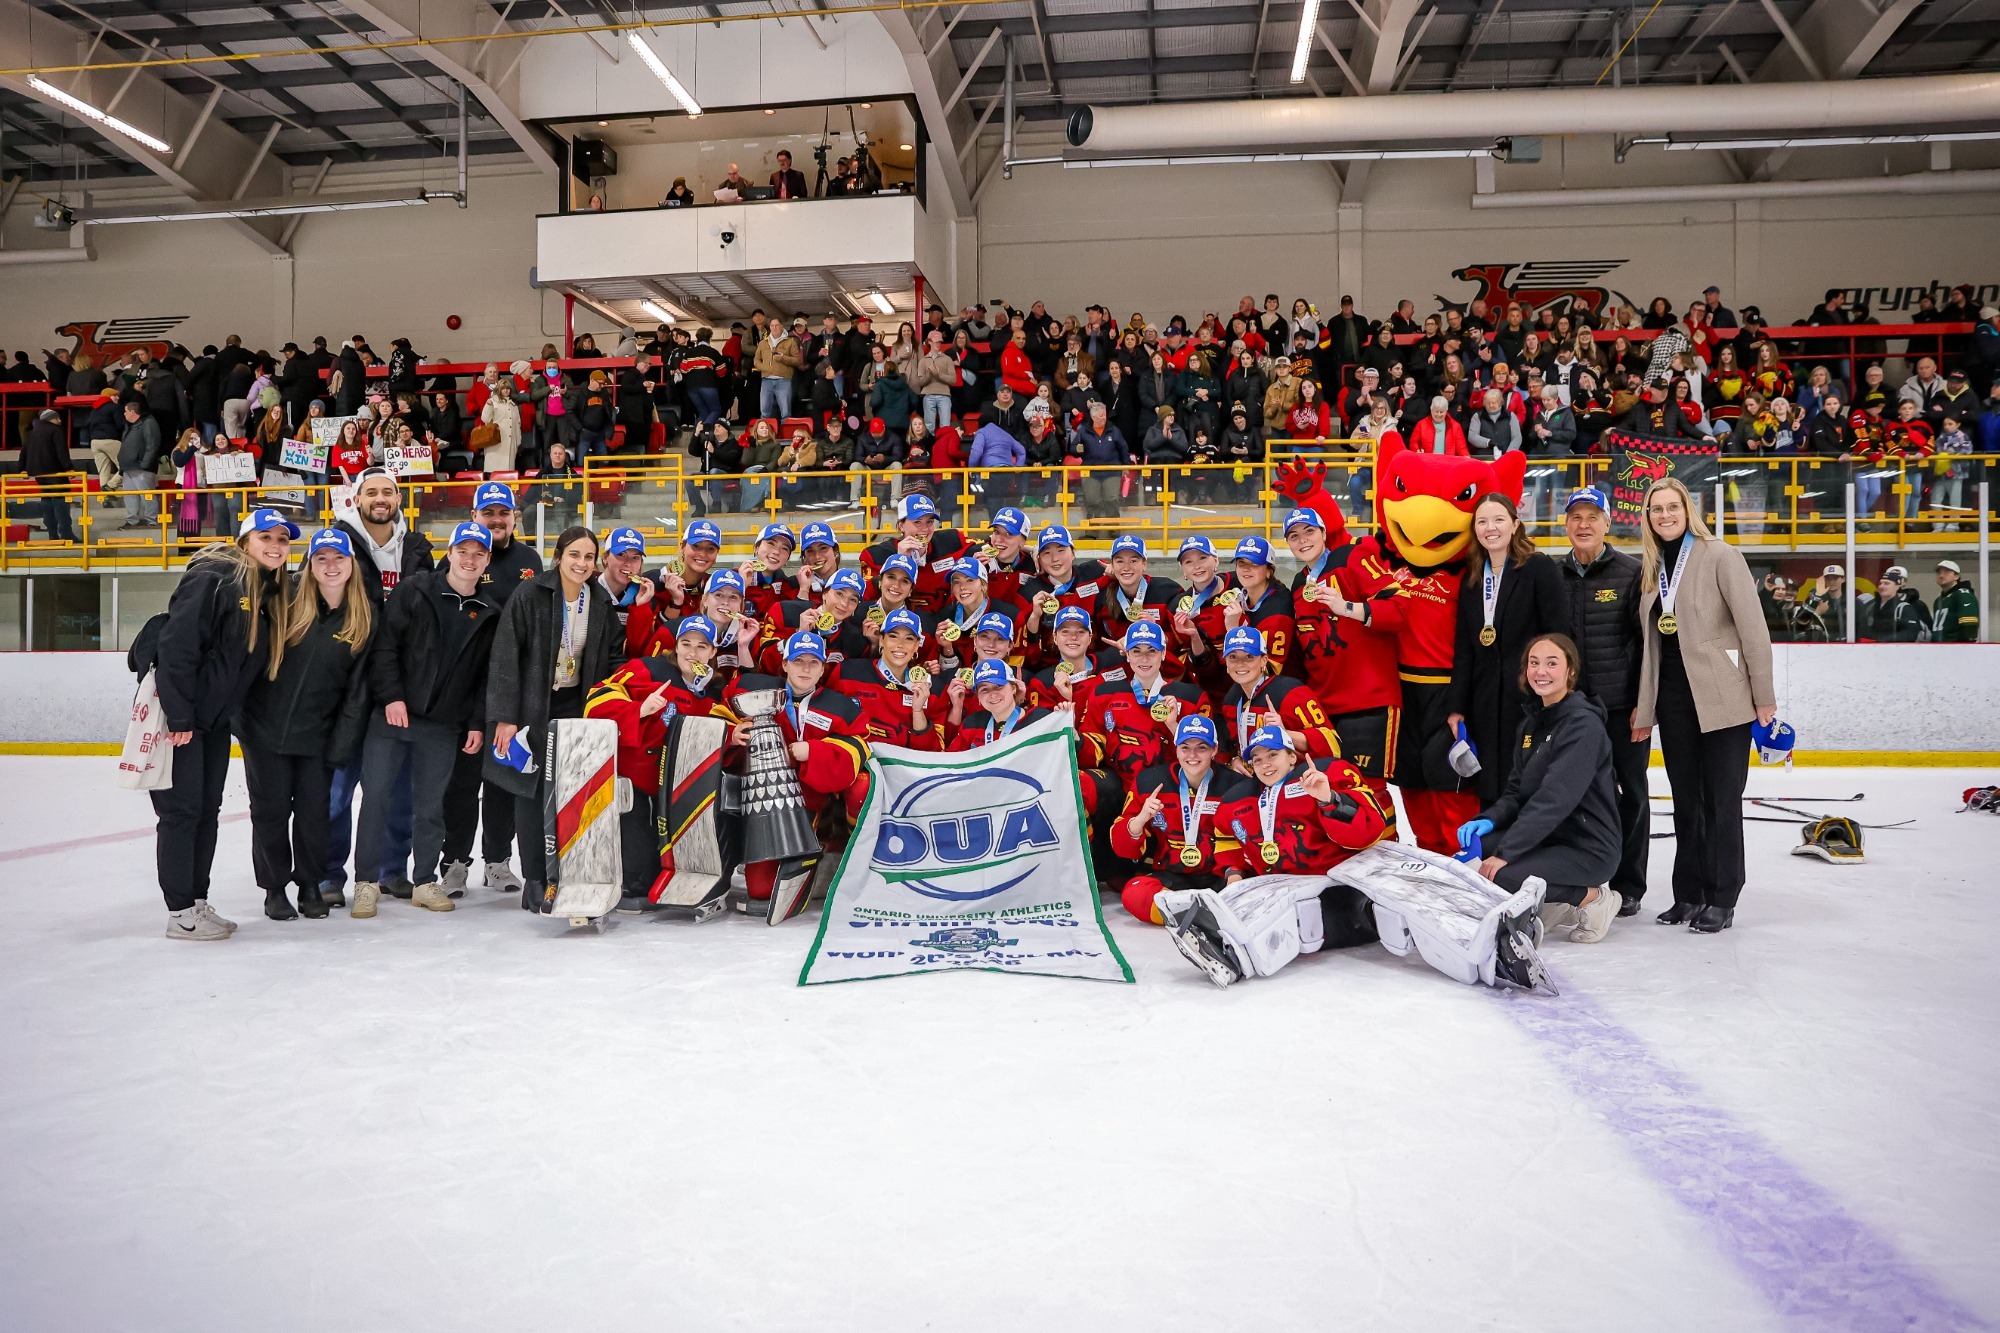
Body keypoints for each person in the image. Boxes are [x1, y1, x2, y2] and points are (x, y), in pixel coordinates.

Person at [1632, 477, 1776, 933]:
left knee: (1721, 801)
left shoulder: (1720, 555)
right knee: (1686, 802)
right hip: (1674, 700)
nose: (1665, 515)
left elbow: (1754, 631)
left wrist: (1764, 698)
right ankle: (1688, 894)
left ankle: (1722, 896)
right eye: (1657, 509)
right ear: (1648, 517)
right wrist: (1645, 706)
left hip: (1722, 698)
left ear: (1688, 510)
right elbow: (1650, 648)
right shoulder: (1652, 566)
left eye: (1672, 507)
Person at [148, 509, 297, 939]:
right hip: (185, 718)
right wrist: (179, 715)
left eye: (283, 540)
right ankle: (180, 913)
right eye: (265, 536)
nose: (274, 545)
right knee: (181, 813)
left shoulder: (266, 590)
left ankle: (196, 901)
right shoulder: (217, 575)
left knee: (205, 812)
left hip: (212, 721)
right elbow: (178, 645)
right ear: (244, 541)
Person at [352, 521, 499, 917]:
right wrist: (392, 698)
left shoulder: (489, 611)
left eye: (478, 553)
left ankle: (424, 881)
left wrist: (474, 722)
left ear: (486, 560)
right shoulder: (414, 590)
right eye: (463, 551)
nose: (470, 559)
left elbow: (484, 677)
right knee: (377, 799)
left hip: (443, 724)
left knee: (431, 806)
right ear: (449, 553)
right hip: (393, 717)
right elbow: (386, 648)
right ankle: (366, 882)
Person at [235, 528, 374, 921]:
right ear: (309, 566)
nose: (331, 566)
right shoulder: (284, 602)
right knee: (271, 812)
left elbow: (357, 692)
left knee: (316, 815)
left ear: (352, 565)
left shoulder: (363, 618)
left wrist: (341, 745)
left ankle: (311, 884)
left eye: (339, 558)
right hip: (264, 731)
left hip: (318, 737)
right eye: (321, 559)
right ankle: (274, 888)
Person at [1457, 632, 1623, 945]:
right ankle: (1558, 902)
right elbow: (1516, 793)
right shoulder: (1532, 723)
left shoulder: (1583, 726)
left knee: (1502, 875)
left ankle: (1593, 898)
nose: (1540, 671)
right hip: (1550, 838)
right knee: (1479, 854)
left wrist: (1506, 853)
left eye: (1551, 663)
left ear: (1570, 670)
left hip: (1588, 847)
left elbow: (1554, 800)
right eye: (1534, 663)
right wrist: (1490, 819)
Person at [486, 526, 623, 903]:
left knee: (572, 789)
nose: (582, 563)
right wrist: (505, 717)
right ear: (559, 556)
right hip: (534, 705)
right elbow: (505, 656)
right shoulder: (531, 593)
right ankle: (535, 879)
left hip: (579, 707)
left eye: (589, 557)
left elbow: (613, 655)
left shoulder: (598, 599)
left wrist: (611, 700)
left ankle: (568, 870)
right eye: (574, 554)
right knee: (532, 793)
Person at [1553, 487, 1648, 915]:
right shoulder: (1553, 575)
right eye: (1576, 516)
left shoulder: (1631, 572)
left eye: (1593, 516)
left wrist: (1643, 706)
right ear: (1566, 525)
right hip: (1572, 712)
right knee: (1578, 796)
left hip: (1621, 710)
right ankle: (1587, 879)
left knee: (1631, 794)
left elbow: (1648, 648)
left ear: (1608, 523)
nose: (1584, 524)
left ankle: (1629, 884)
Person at [1445, 493, 1566, 806]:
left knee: (1528, 783)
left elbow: (1561, 637)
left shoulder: (1539, 568)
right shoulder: (1472, 579)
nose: (1490, 528)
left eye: (1498, 519)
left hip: (1529, 699)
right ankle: (1494, 849)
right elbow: (1465, 649)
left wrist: (1554, 696)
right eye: (1482, 521)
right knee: (1489, 788)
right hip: (1484, 702)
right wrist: (1457, 706)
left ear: (1515, 524)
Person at [1110, 713, 1254, 923]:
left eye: (1201, 747)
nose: (1192, 755)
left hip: (1221, 878)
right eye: (1185, 747)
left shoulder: (1235, 786)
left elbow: (1245, 842)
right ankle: (1208, 915)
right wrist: (1141, 819)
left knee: (1252, 894)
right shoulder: (1150, 782)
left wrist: (1235, 881)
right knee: (1133, 894)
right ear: (1176, 749)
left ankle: (1186, 913)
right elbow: (1122, 849)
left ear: (1214, 750)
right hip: (1173, 880)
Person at [22, 409, 76, 543]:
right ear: (50, 419)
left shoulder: (31, 433)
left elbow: (24, 452)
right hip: (55, 472)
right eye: (57, 418)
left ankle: (52, 534)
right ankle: (66, 533)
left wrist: (22, 468)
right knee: (60, 503)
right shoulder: (55, 430)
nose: (60, 421)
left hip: (39, 473)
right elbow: (61, 451)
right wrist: (69, 468)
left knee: (46, 502)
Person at [115, 399, 162, 529]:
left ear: (132, 411)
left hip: (141, 467)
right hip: (128, 467)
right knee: (130, 496)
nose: (124, 414)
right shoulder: (130, 426)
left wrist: (145, 464)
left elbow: (152, 444)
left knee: (146, 494)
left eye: (125, 411)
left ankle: (152, 520)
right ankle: (132, 520)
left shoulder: (148, 423)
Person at [1861, 565, 1929, 642]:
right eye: (1880, 583)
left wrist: (1884, 641)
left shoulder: (1904, 608)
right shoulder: (1870, 606)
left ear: (1897, 586)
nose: (1882, 586)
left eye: (1886, 583)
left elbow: (1911, 633)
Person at [1932, 559, 1979, 642]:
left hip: (1956, 650)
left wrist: (1962, 648)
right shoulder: (1939, 600)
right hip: (1940, 648)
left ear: (1956, 576)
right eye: (1939, 572)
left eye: (1946, 572)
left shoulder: (1963, 595)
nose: (1941, 575)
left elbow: (1969, 626)